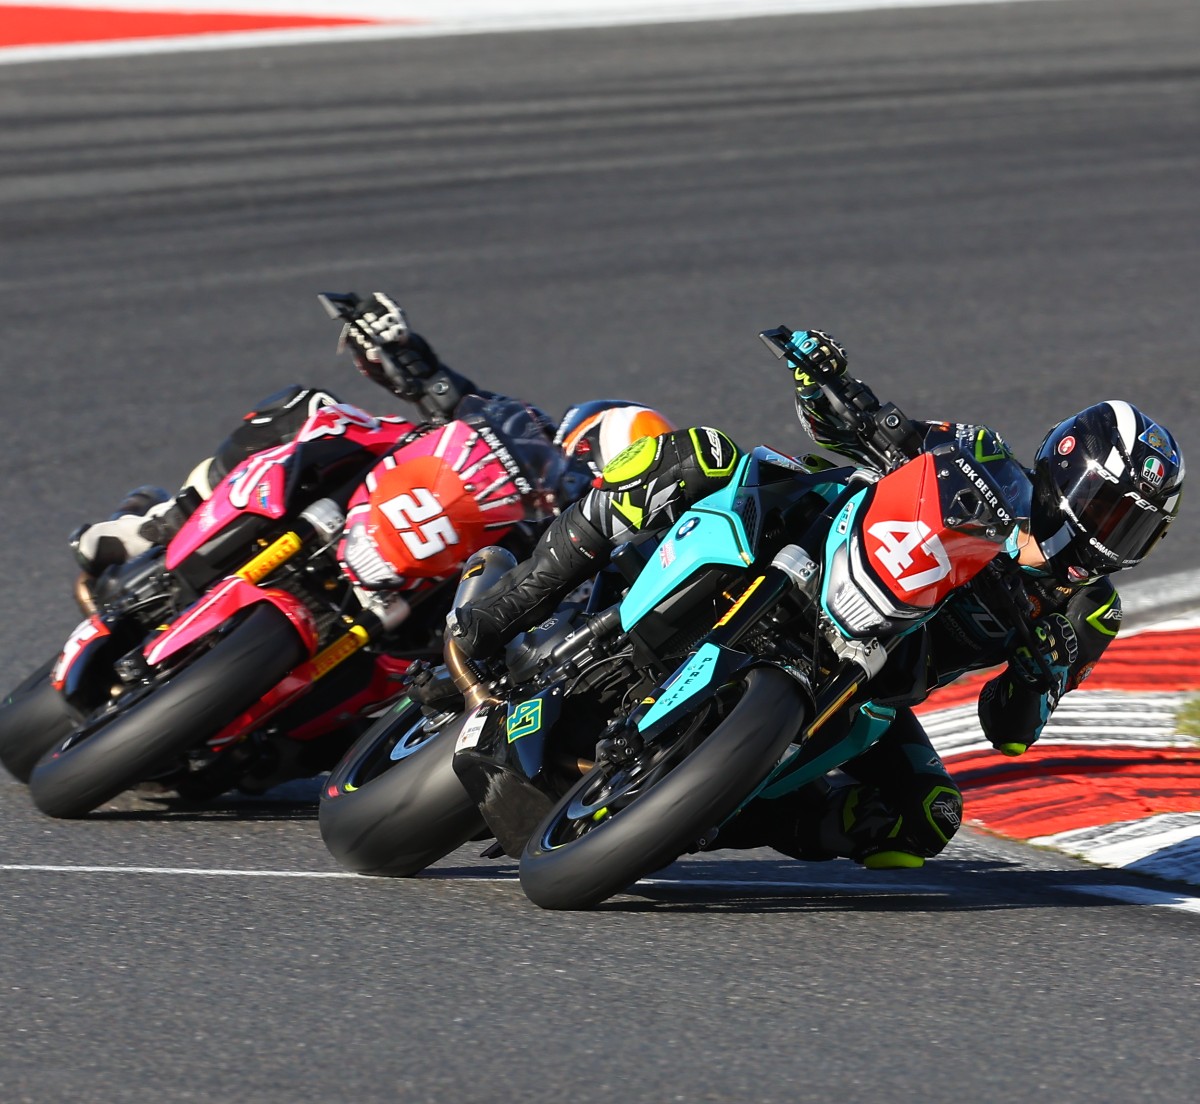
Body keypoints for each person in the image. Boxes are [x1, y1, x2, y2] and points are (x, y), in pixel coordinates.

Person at [449, 329, 1185, 869]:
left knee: (925, 818)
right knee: (696, 456)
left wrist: (1037, 674)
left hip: (872, 685)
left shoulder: (1088, 614)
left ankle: (698, 812)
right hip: (807, 539)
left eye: (1135, 529)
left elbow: (1011, 733)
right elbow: (867, 431)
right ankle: (506, 607)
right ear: (1068, 471)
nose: (1109, 536)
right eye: (1110, 508)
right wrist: (825, 384)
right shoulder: (984, 455)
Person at [71, 291, 673, 587]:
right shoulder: (521, 427)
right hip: (395, 506)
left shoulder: (600, 559)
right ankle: (160, 525)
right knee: (315, 413)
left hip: (440, 598)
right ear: (581, 437)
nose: (596, 485)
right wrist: (393, 347)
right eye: (599, 464)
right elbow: (444, 390)